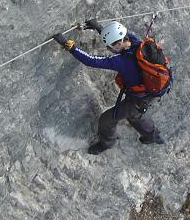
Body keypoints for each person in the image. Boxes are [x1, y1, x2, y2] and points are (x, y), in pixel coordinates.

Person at [53, 19, 165, 154]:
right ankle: (153, 136)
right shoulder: (135, 40)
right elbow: (116, 41)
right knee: (135, 116)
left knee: (107, 120)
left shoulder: (122, 61)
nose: (108, 49)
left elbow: (91, 60)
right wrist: (100, 29)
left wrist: (70, 47)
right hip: (148, 92)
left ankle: (107, 143)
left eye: (109, 47)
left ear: (118, 44)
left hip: (138, 100)